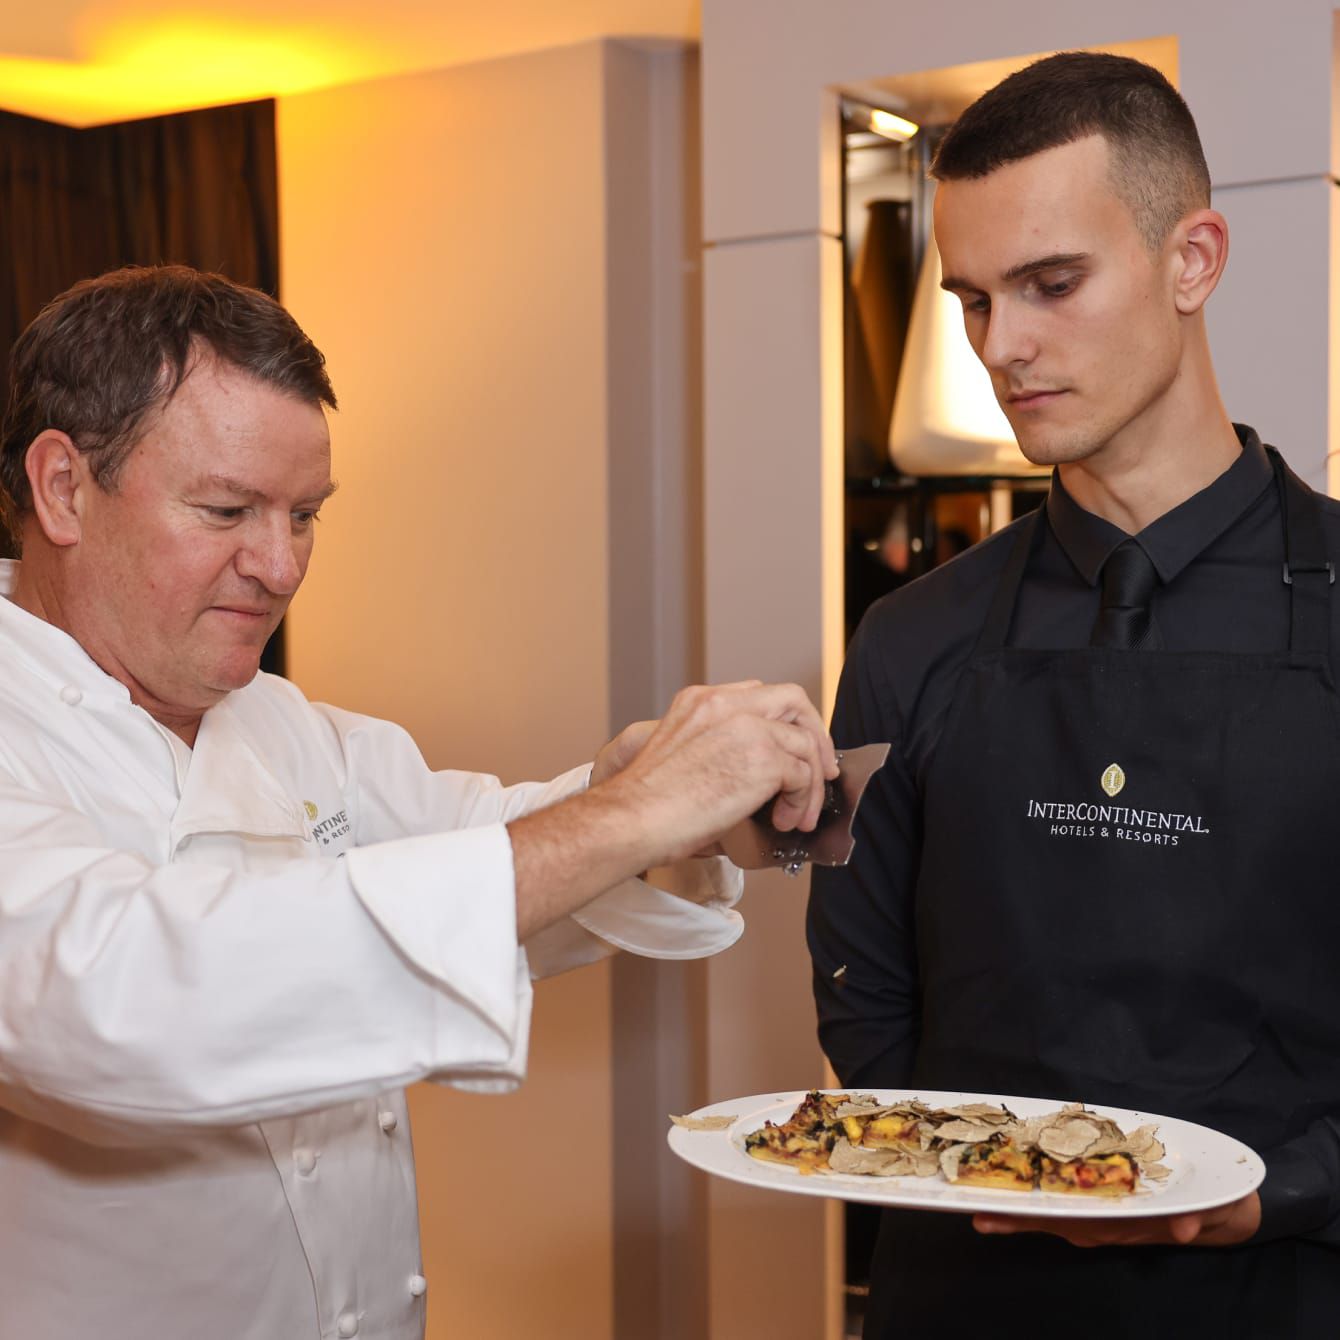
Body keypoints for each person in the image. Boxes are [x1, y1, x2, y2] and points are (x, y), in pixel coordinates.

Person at [0, 264, 837, 1340]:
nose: (281, 563)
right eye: (227, 509)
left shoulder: (286, 723)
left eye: (304, 514)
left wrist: (642, 794)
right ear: (64, 487)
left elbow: (476, 839)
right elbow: (125, 999)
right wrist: (630, 815)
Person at [809, 51, 1340, 1338]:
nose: (1003, 345)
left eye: (1051, 284)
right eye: (972, 299)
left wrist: (1276, 1192)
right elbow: (857, 990)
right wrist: (995, 1179)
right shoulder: (902, 637)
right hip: (965, 1298)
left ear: (1190, 260)